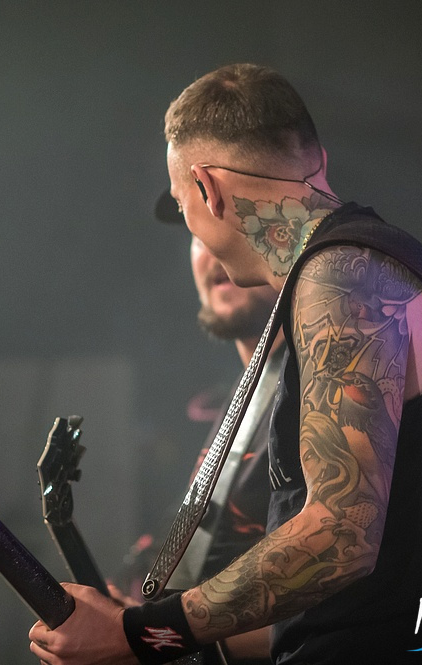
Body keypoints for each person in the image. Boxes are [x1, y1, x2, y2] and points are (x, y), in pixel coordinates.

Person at [30, 63, 422, 664]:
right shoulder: (353, 267)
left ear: (206, 188)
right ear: (318, 161)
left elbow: (341, 533)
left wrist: (142, 634)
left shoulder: (341, 278)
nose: (190, 223)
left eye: (181, 204)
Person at [110, 214, 285, 663]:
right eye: (197, 233)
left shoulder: (316, 393)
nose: (213, 250)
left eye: (234, 226)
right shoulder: (234, 406)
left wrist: (150, 641)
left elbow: (341, 605)